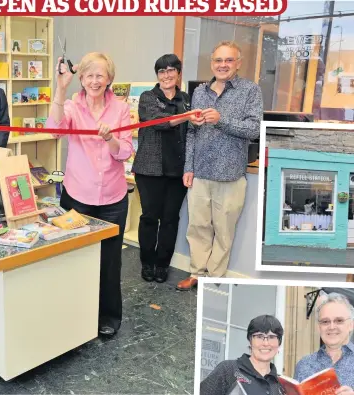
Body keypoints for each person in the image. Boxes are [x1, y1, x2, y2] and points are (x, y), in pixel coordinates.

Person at [45, 52, 133, 337]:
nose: (95, 81)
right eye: (89, 75)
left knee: (109, 262)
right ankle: (74, 314)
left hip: (112, 198)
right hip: (77, 195)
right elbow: (54, 130)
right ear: (80, 78)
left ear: (109, 79)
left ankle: (108, 316)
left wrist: (110, 138)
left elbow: (126, 151)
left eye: (100, 75)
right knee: (75, 259)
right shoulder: (71, 106)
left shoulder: (120, 108)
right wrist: (60, 87)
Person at [176, 40, 263, 291]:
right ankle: (196, 273)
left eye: (228, 60)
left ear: (238, 63)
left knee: (223, 232)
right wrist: (188, 167)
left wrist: (221, 120)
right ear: (211, 63)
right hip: (200, 173)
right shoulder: (200, 92)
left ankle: (214, 276)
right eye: (218, 60)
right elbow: (192, 132)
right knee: (198, 228)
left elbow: (254, 128)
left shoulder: (250, 91)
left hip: (230, 175)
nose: (223, 65)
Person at [131, 54, 197, 283]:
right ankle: (147, 263)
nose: (167, 75)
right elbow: (158, 121)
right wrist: (187, 116)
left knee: (171, 220)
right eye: (162, 71)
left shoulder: (187, 99)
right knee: (150, 217)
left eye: (171, 70)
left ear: (179, 73)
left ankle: (162, 265)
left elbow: (192, 133)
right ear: (157, 75)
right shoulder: (148, 97)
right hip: (149, 170)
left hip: (177, 170)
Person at [200, 315, 285, 395]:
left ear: (279, 343)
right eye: (259, 336)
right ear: (250, 340)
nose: (266, 343)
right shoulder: (228, 370)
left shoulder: (281, 386)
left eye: (271, 337)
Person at [294, 292, 354, 394]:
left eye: (339, 320)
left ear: (351, 325)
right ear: (318, 327)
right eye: (325, 321)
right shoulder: (304, 365)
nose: (331, 327)